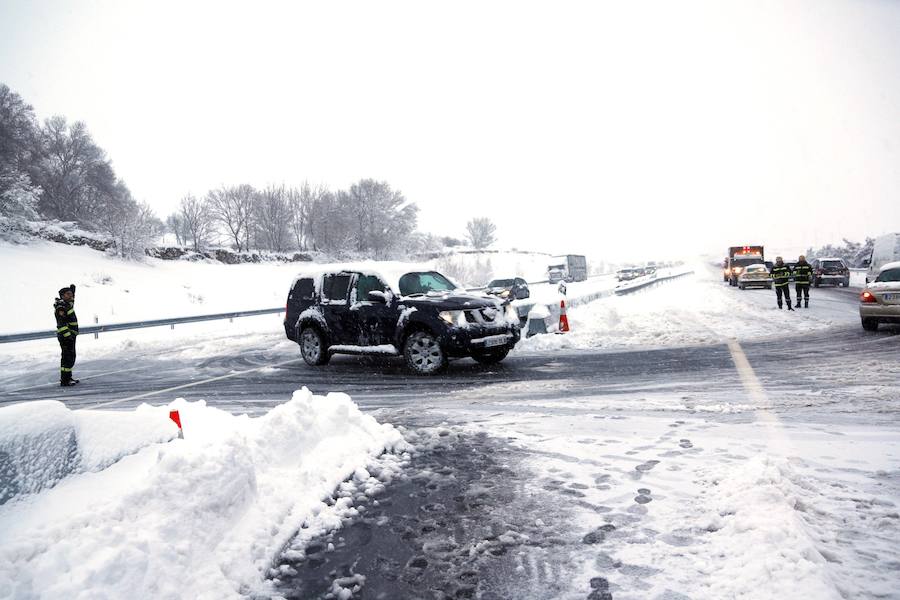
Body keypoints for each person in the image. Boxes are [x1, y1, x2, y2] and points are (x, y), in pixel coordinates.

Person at [54, 284, 79, 386]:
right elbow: (62, 324)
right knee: (67, 357)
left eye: (71, 294)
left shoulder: (67, 304)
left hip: (70, 336)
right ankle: (65, 380)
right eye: (68, 294)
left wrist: (74, 292)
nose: (71, 296)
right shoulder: (61, 308)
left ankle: (68, 377)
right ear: (62, 296)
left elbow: (72, 302)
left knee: (71, 357)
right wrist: (68, 336)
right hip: (66, 337)